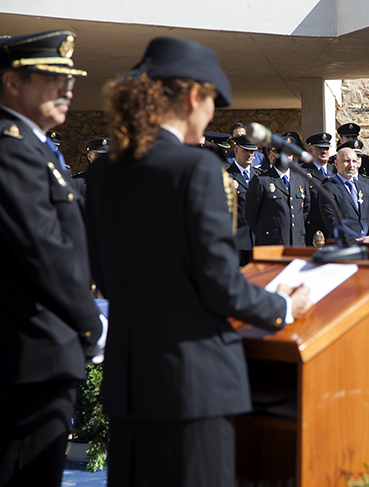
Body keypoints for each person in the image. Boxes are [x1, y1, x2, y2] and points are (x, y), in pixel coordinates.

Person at [84, 36, 312, 487]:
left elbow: (103, 274)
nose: (211, 117)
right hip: (194, 387)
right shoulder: (197, 169)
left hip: (131, 384)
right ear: (193, 96)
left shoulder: (105, 171)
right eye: (211, 102)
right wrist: (282, 306)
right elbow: (219, 283)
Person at [0, 29, 104, 487]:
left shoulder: (36, 146)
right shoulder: (10, 147)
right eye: (50, 78)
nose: (67, 88)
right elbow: (42, 248)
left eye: (69, 79)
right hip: (29, 349)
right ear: (12, 84)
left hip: (43, 346)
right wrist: (91, 322)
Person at [246, 137, 311, 247]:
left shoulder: (300, 179)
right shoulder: (262, 180)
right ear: (272, 155)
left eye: (289, 154)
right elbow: (251, 214)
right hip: (272, 242)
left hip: (297, 243)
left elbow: (305, 210)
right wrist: (266, 232)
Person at [319, 147, 369, 242]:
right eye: (346, 161)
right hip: (344, 246)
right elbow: (332, 221)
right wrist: (354, 239)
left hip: (367, 245)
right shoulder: (328, 188)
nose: (351, 165)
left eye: (354, 161)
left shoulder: (365, 187)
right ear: (336, 164)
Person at [227, 134, 260, 266]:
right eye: (245, 150)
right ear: (236, 151)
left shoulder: (259, 176)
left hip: (257, 240)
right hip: (237, 240)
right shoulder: (227, 176)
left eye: (252, 151)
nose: (250, 154)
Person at [301, 132, 335, 246]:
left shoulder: (335, 170)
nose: (324, 151)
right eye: (320, 148)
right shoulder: (302, 171)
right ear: (310, 151)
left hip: (334, 229)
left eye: (326, 148)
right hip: (313, 229)